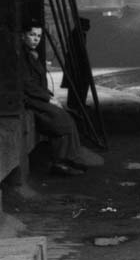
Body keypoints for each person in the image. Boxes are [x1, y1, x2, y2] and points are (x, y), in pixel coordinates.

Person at [20, 20, 90, 176]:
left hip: (37, 97)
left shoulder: (30, 54)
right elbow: (27, 84)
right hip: (29, 99)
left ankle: (70, 159)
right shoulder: (21, 57)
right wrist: (48, 98)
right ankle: (60, 163)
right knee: (61, 119)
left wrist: (50, 96)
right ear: (22, 36)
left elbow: (37, 83)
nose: (36, 39)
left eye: (38, 36)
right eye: (32, 35)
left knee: (68, 117)